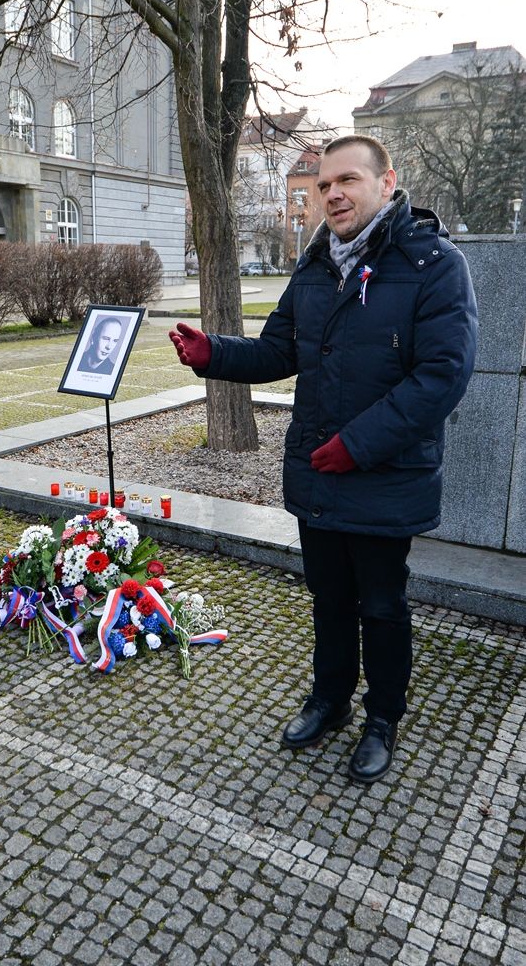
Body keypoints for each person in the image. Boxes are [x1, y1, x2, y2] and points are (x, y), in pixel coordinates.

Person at [169, 135, 477, 784]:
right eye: (322, 185)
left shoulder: (432, 264)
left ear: (385, 182)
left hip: (382, 476)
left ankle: (382, 717)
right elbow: (279, 351)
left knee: (382, 607)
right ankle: (330, 701)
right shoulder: (314, 266)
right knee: (329, 600)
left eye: (347, 180)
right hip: (317, 474)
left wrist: (358, 445)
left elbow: (442, 376)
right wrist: (214, 355)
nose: (332, 193)